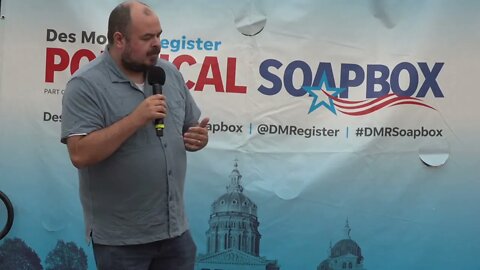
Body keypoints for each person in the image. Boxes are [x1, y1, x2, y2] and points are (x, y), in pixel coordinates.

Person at [60, 1, 209, 269]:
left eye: (159, 35)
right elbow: (80, 154)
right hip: (122, 242)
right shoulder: (86, 85)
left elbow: (189, 126)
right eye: (147, 37)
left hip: (175, 233)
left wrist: (197, 138)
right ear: (119, 39)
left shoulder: (169, 74)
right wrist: (136, 119)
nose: (157, 44)